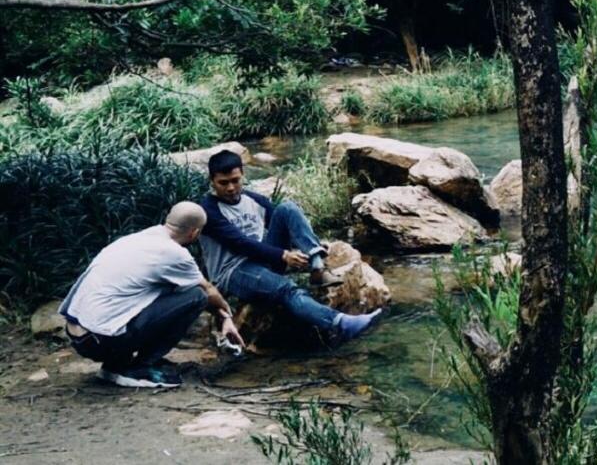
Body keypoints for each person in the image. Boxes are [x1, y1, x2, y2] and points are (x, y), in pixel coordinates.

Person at [197, 149, 381, 344]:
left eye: (235, 180)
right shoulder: (208, 210)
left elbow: (285, 224)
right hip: (233, 273)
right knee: (286, 288)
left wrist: (310, 244)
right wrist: (283, 255)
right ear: (212, 181)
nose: (231, 188)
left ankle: (317, 265)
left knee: (288, 208)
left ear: (243, 174)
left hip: (262, 262)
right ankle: (340, 324)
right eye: (223, 183)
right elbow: (241, 244)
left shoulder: (254, 200)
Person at [59, 201, 244, 388]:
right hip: (101, 341)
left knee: (178, 292)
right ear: (195, 233)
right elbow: (207, 291)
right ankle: (139, 368)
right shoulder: (174, 253)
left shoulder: (137, 238)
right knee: (196, 297)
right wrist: (226, 315)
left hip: (78, 334)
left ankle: (117, 365)